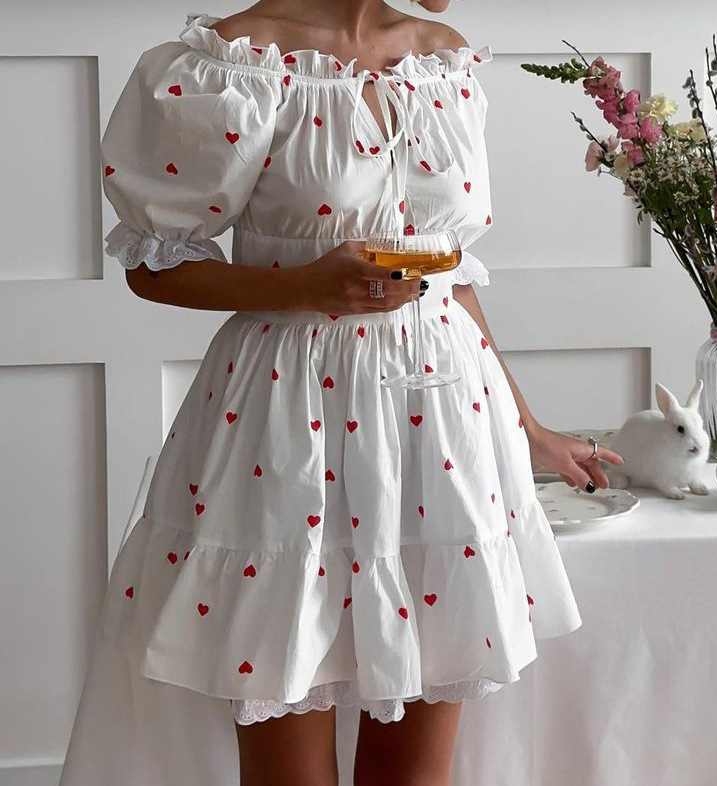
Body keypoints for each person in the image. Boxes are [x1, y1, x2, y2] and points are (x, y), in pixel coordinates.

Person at [59, 2, 624, 784]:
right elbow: (153, 266)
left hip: (444, 426)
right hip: (292, 421)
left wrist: (529, 429)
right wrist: (301, 286)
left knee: (415, 774)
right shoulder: (234, 65)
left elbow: (450, 276)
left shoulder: (442, 59)